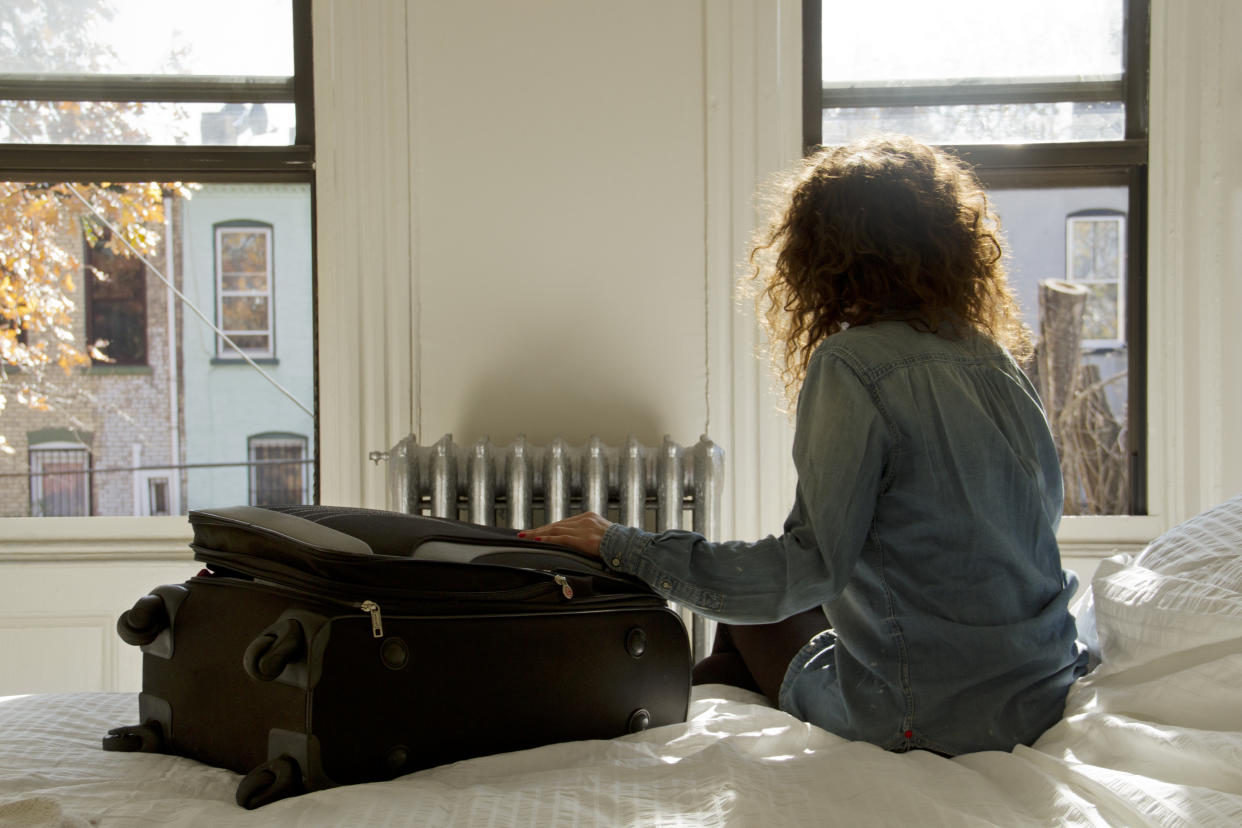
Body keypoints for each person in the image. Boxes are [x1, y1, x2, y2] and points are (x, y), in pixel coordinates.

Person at [524, 135, 1089, 757]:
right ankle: (707, 724)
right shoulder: (996, 363)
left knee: (747, 621)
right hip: (1039, 691)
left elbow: (806, 568)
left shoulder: (853, 362)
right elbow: (1034, 527)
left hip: (927, 716)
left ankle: (672, 740)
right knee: (777, 629)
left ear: (825, 256)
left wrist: (621, 544)